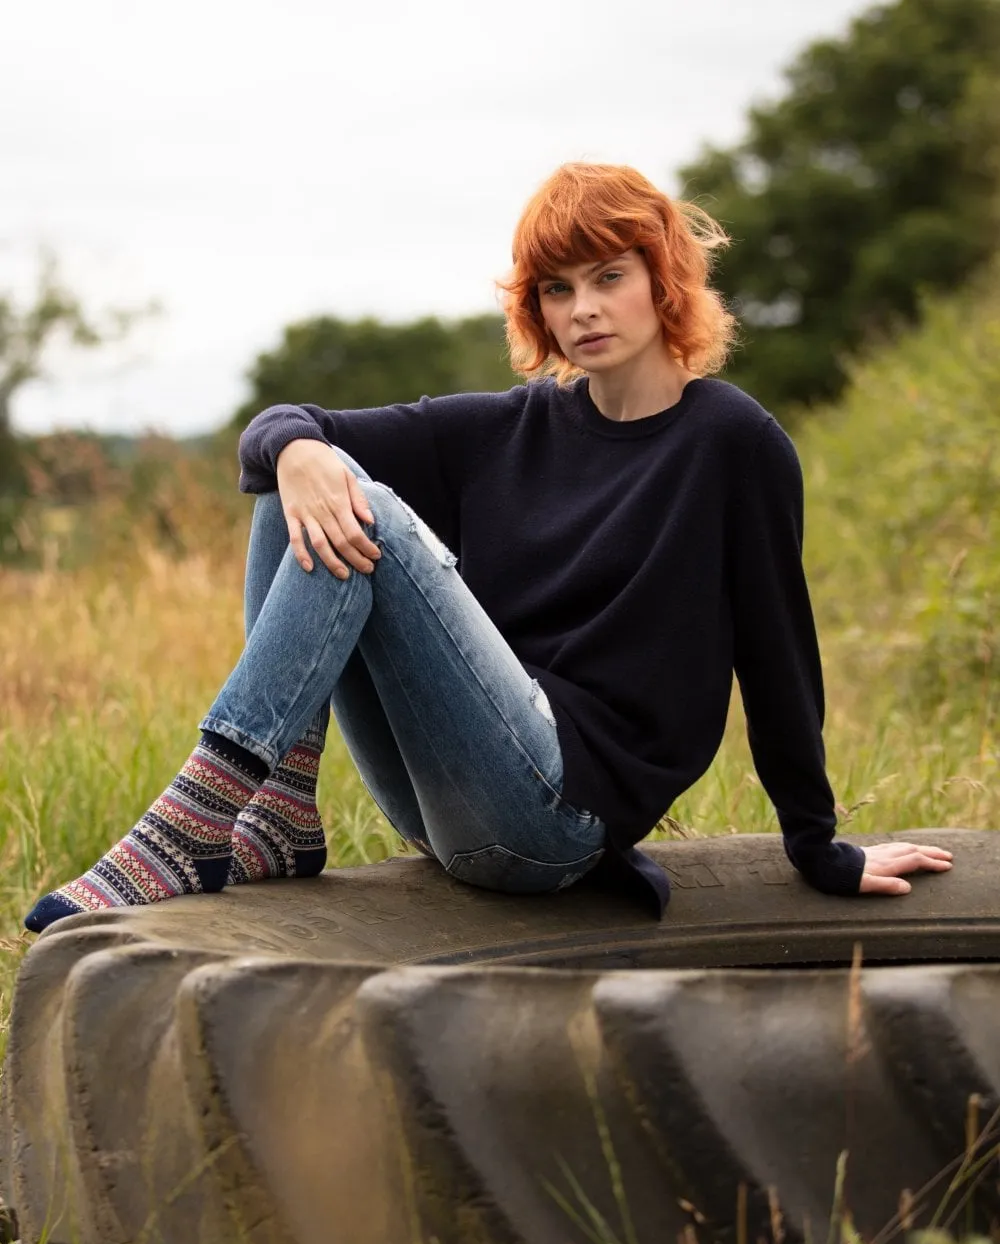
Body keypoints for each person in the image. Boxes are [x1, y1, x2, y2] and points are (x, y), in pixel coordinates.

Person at [25, 162, 953, 934]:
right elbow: (278, 427)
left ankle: (196, 822)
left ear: (663, 278)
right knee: (301, 479)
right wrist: (300, 450)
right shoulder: (509, 427)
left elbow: (778, 649)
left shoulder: (732, 443)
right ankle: (276, 812)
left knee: (360, 504)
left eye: (608, 277)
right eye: (559, 289)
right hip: (450, 800)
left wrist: (817, 845)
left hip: (559, 817)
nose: (583, 309)